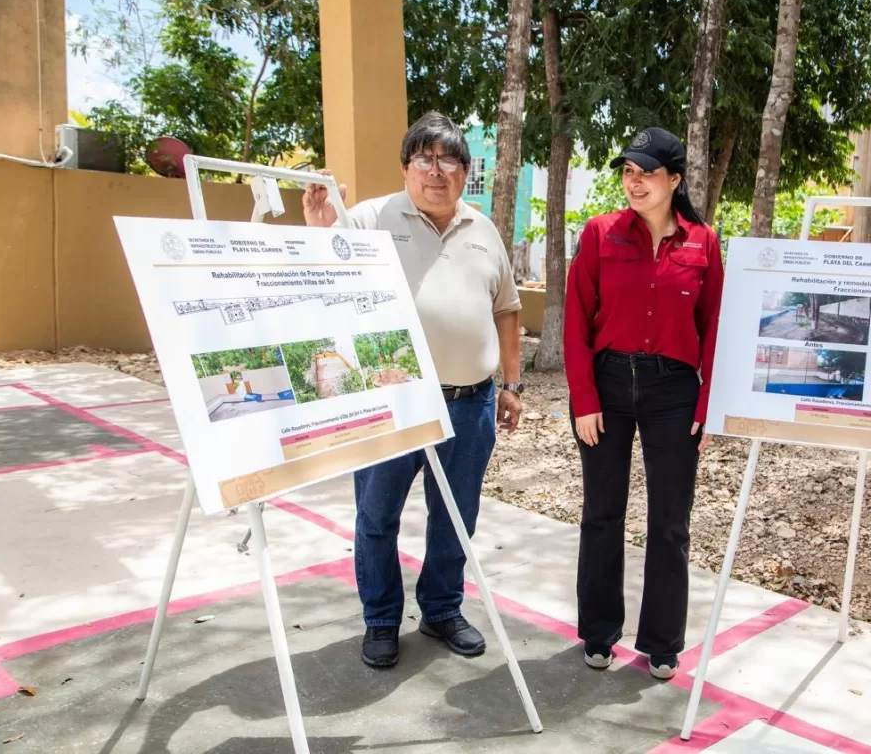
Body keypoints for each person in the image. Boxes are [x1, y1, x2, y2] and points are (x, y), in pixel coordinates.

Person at [302, 111, 525, 669]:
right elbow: (323, 274)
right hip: (391, 402)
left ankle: (442, 608)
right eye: (424, 158)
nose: (436, 170)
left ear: (464, 172)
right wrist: (318, 226)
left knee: (457, 514)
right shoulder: (370, 218)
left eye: (449, 160)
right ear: (406, 167)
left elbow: (507, 311)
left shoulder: (483, 229)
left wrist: (512, 384)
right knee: (377, 516)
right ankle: (380, 619)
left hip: (470, 402)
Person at [563, 127, 724, 680]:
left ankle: (661, 641)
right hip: (607, 388)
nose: (634, 181)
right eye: (628, 171)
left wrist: (707, 404)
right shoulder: (600, 233)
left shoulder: (703, 242)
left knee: (670, 522)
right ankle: (599, 632)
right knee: (602, 514)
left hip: (673, 394)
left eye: (646, 172)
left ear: (674, 180)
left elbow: (715, 328)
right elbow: (575, 321)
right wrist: (583, 399)